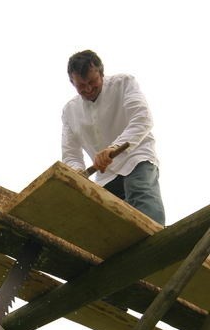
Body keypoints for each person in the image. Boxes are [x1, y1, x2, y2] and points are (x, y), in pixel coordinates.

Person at [62, 49, 166, 225]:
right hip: (105, 174)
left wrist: (113, 148)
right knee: (103, 216)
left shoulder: (124, 83)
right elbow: (71, 154)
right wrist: (77, 173)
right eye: (81, 86)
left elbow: (142, 118)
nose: (88, 89)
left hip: (136, 157)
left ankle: (156, 241)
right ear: (72, 83)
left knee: (140, 194)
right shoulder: (69, 111)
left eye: (92, 82)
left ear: (101, 73)